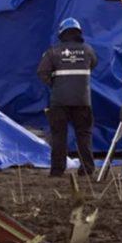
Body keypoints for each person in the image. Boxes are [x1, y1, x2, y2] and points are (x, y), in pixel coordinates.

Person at [37, 17, 98, 177]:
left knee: (59, 136)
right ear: (78, 32)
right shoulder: (88, 50)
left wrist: (55, 85)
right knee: (84, 134)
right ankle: (87, 169)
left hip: (59, 101)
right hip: (82, 100)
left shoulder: (53, 52)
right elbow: (94, 64)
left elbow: (42, 72)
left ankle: (57, 170)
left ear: (62, 33)